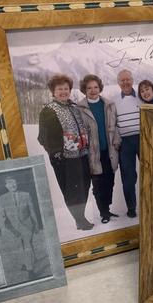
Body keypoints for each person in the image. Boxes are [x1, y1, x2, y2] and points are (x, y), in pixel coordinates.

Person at [38, 73, 93, 230]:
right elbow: (43, 137)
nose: (63, 92)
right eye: (59, 89)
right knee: (72, 191)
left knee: (84, 187)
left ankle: (79, 217)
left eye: (66, 88)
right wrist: (56, 154)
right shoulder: (49, 110)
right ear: (53, 91)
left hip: (82, 155)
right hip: (66, 159)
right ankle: (80, 220)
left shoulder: (75, 108)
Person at [77, 74, 121, 224]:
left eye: (95, 87)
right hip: (93, 153)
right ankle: (103, 212)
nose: (93, 90)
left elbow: (116, 126)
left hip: (109, 152)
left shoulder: (109, 104)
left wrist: (116, 140)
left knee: (110, 182)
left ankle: (107, 209)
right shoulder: (80, 108)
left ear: (100, 88)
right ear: (84, 90)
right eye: (89, 88)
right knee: (98, 185)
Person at [111, 69, 140, 218]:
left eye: (128, 79)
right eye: (122, 80)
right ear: (118, 83)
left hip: (143, 139)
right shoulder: (114, 100)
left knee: (151, 172)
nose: (125, 82)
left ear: (132, 80)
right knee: (128, 177)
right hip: (125, 142)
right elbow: (112, 123)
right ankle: (131, 207)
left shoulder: (141, 97)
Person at [0, 177, 40, 274]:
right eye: (10, 183)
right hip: (12, 227)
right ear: (6, 186)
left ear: (17, 183)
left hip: (27, 225)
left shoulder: (26, 195)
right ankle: (30, 261)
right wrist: (5, 229)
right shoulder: (2, 199)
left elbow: (32, 211)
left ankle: (30, 270)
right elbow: (0, 216)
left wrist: (36, 224)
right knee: (22, 246)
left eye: (14, 183)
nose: (13, 185)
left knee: (27, 245)